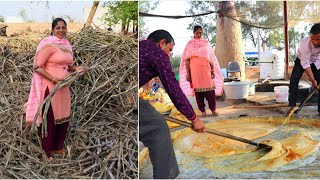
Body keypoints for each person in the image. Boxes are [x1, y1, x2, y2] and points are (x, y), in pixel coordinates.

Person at [139, 29, 206, 179]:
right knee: (158, 127)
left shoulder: (141, 46)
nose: (169, 55)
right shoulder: (157, 54)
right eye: (170, 50)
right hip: (125, 97)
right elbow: (173, 88)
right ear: (162, 42)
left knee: (150, 117)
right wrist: (194, 119)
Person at [24, 18, 87, 161]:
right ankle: (47, 150)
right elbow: (37, 66)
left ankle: (58, 146)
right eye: (58, 28)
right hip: (50, 87)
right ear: (52, 29)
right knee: (50, 118)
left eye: (63, 27)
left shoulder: (67, 44)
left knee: (63, 117)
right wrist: (53, 79)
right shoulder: (48, 44)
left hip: (64, 88)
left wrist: (76, 68)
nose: (61, 30)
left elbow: (67, 65)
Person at [179, 25, 223, 117]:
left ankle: (213, 110)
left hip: (206, 70)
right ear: (193, 33)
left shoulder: (206, 43)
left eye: (200, 33)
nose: (199, 34)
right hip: (195, 71)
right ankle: (203, 111)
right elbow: (187, 60)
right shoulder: (190, 44)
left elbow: (211, 58)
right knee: (198, 93)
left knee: (210, 92)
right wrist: (188, 73)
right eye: (197, 33)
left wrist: (212, 70)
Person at [287, 23, 320, 116]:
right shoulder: (306, 44)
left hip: (315, 60)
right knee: (294, 79)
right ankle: (292, 106)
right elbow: (305, 63)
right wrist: (313, 80)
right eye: (313, 39)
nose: (315, 42)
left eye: (318, 39)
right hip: (302, 60)